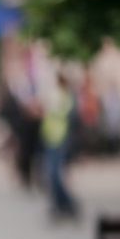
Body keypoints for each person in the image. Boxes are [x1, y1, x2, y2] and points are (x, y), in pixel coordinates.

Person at [41, 72, 79, 219]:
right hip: (50, 138)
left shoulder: (65, 97)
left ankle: (66, 203)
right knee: (51, 175)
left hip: (59, 140)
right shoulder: (57, 95)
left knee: (54, 175)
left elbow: (65, 118)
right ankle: (60, 204)